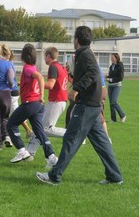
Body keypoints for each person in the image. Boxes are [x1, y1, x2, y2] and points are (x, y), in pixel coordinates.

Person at [36, 26, 123, 185]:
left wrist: (76, 89)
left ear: (77, 39)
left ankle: (54, 176)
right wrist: (72, 76)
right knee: (102, 143)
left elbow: (92, 73)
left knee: (70, 138)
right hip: (94, 105)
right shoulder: (86, 53)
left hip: (87, 105)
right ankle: (115, 176)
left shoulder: (84, 54)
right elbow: (90, 73)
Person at [7, 44, 58, 168]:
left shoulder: (28, 68)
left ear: (24, 56)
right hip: (38, 106)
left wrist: (41, 94)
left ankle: (21, 151)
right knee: (39, 132)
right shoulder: (33, 68)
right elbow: (35, 79)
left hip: (31, 103)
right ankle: (51, 157)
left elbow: (40, 78)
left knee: (11, 124)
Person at [27, 46, 68, 158]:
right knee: (39, 127)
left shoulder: (53, 67)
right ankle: (29, 153)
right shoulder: (61, 67)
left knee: (46, 128)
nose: (44, 58)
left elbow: (50, 85)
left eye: (45, 55)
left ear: (49, 56)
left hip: (57, 101)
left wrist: (35, 84)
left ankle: (73, 134)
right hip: (59, 101)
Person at [8, 50, 33, 139]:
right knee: (15, 112)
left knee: (12, 114)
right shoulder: (10, 64)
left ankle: (7, 136)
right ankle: (28, 131)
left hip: (11, 92)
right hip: (15, 91)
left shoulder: (7, 64)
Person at [106, 53, 126, 123]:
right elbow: (111, 75)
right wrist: (107, 77)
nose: (111, 59)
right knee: (111, 103)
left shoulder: (120, 65)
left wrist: (110, 79)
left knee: (114, 101)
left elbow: (120, 77)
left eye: (112, 57)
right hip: (110, 86)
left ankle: (122, 115)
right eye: (111, 58)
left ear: (116, 58)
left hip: (117, 86)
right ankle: (113, 119)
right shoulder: (111, 66)